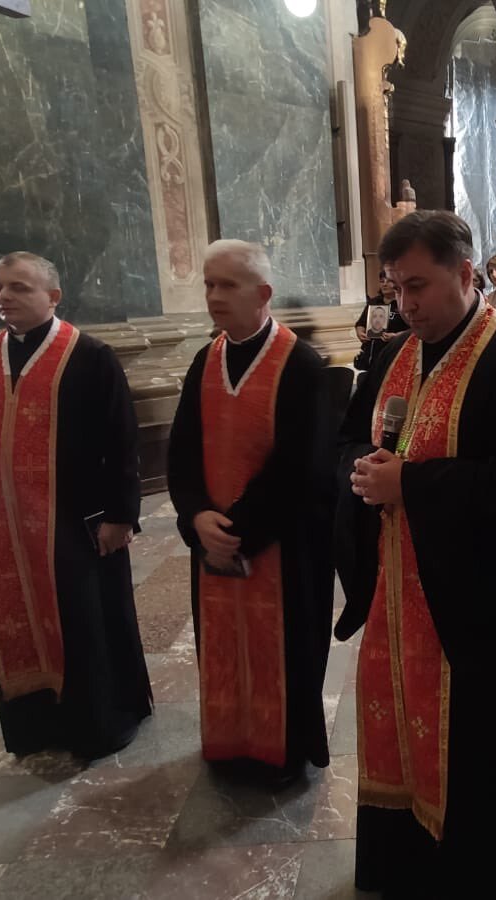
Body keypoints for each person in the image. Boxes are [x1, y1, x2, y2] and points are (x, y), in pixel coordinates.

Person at [335, 210, 496, 898]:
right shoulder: (393, 356)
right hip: (400, 593)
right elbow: (348, 441)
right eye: (395, 288)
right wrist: (361, 472)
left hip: (482, 609)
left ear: (466, 274)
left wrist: (410, 484)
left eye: (418, 286)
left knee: (484, 745)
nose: (405, 304)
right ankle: (406, 861)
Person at [0, 252, 151, 758]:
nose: (4, 297)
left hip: (75, 520)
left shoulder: (90, 356)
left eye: (19, 287)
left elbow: (122, 440)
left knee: (85, 619)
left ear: (53, 296)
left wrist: (120, 515)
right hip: (4, 523)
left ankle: (102, 723)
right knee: (18, 620)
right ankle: (36, 724)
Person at [166, 240, 333, 784]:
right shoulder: (205, 360)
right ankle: (229, 745)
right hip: (213, 538)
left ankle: (281, 754)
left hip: (282, 545)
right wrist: (197, 517)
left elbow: (303, 467)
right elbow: (181, 451)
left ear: (262, 293)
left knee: (284, 651)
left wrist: (236, 532)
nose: (214, 295)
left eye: (227, 285)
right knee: (221, 646)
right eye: (208, 284)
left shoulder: (300, 364)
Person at [354, 268, 409, 373]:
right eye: (382, 281)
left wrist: (396, 336)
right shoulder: (373, 302)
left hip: (394, 355)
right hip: (370, 357)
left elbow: (414, 330)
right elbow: (360, 323)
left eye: (388, 281)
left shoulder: (403, 303)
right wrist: (360, 332)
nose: (384, 284)